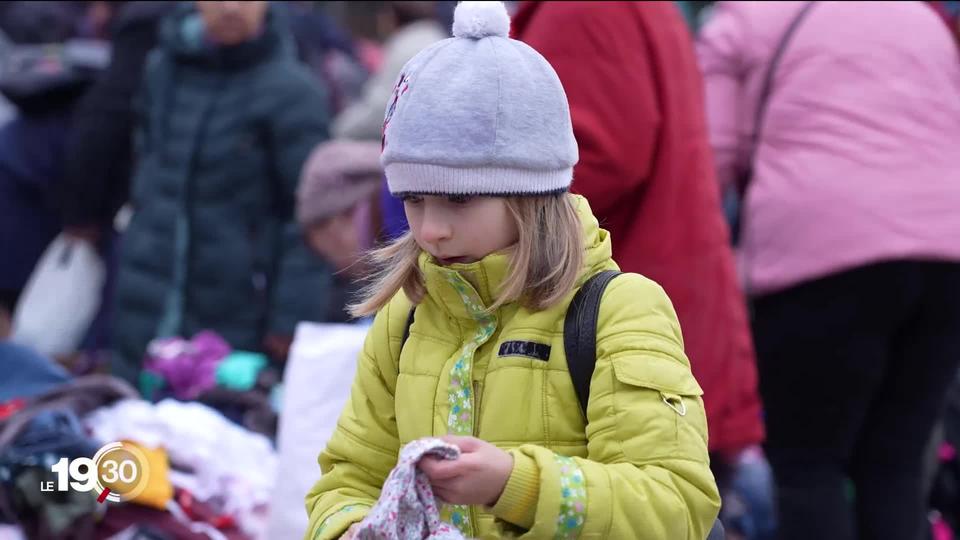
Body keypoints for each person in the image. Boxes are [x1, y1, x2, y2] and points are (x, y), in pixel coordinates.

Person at [304, 3, 720, 539]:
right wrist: (353, 530)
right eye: (413, 198)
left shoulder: (618, 310)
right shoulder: (407, 316)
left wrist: (516, 486)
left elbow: (677, 506)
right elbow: (347, 478)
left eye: (457, 200)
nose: (430, 230)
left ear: (530, 195)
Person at [698, 2, 960, 539]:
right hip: (946, 253)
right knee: (896, 463)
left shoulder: (743, 20)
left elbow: (712, 158)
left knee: (806, 464)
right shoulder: (918, 15)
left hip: (821, 257)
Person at [511, 0, 764, 473]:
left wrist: (492, 194)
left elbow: (599, 157)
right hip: (659, 308)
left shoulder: (581, 10)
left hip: (618, 324)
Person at [109, 1, 333, 384]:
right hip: (150, 292)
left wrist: (291, 314)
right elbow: (148, 176)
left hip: (240, 307)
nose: (230, 7)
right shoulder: (162, 71)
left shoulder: (293, 92)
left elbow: (309, 214)